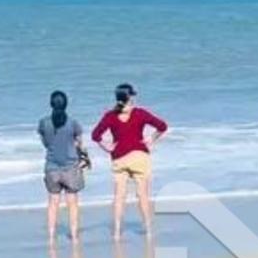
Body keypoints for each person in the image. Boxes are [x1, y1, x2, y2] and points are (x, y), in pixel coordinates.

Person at [91, 83, 169, 239]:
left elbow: (95, 135)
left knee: (119, 197)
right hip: (139, 156)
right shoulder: (140, 113)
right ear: (130, 98)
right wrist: (151, 139)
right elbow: (162, 126)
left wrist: (107, 147)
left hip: (119, 158)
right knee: (142, 196)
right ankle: (148, 230)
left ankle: (117, 232)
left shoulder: (110, 116)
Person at [39, 90, 89, 244]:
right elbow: (79, 143)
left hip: (52, 166)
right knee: (72, 203)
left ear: (51, 104)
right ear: (66, 104)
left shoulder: (44, 123)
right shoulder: (73, 123)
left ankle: (51, 236)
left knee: (53, 203)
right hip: (70, 167)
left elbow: (45, 143)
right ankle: (74, 236)